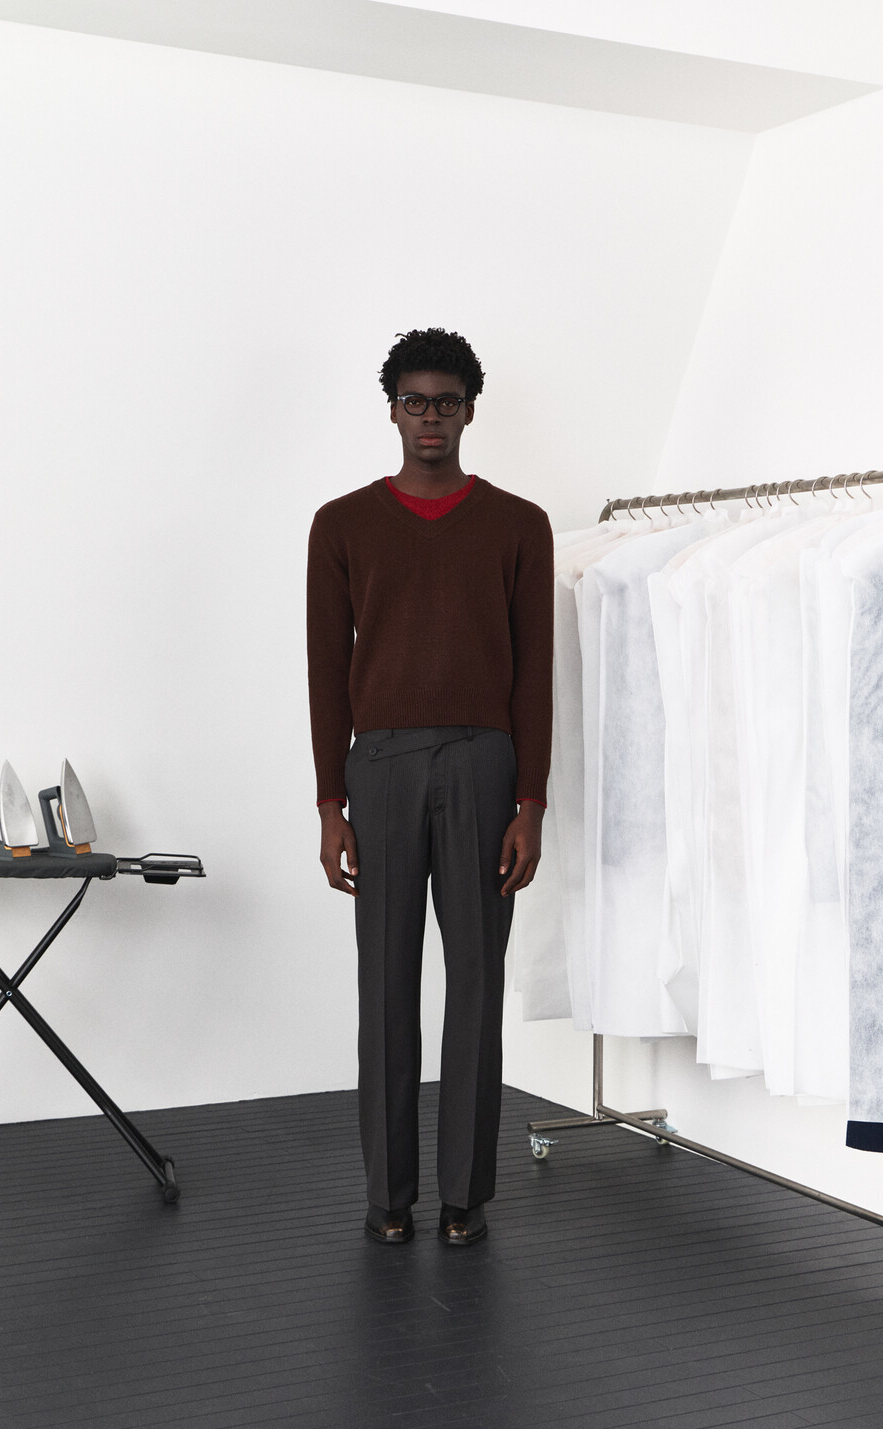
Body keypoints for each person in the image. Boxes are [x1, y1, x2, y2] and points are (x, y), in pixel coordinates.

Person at [306, 328, 553, 1246]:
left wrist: (532, 801)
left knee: (476, 978)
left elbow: (535, 673)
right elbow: (325, 671)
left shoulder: (519, 524)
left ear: (470, 410)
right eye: (415, 402)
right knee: (386, 980)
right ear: (393, 410)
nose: (431, 418)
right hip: (379, 766)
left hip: (486, 764)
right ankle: (389, 1194)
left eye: (447, 402)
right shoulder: (342, 524)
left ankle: (464, 1195)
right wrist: (329, 803)